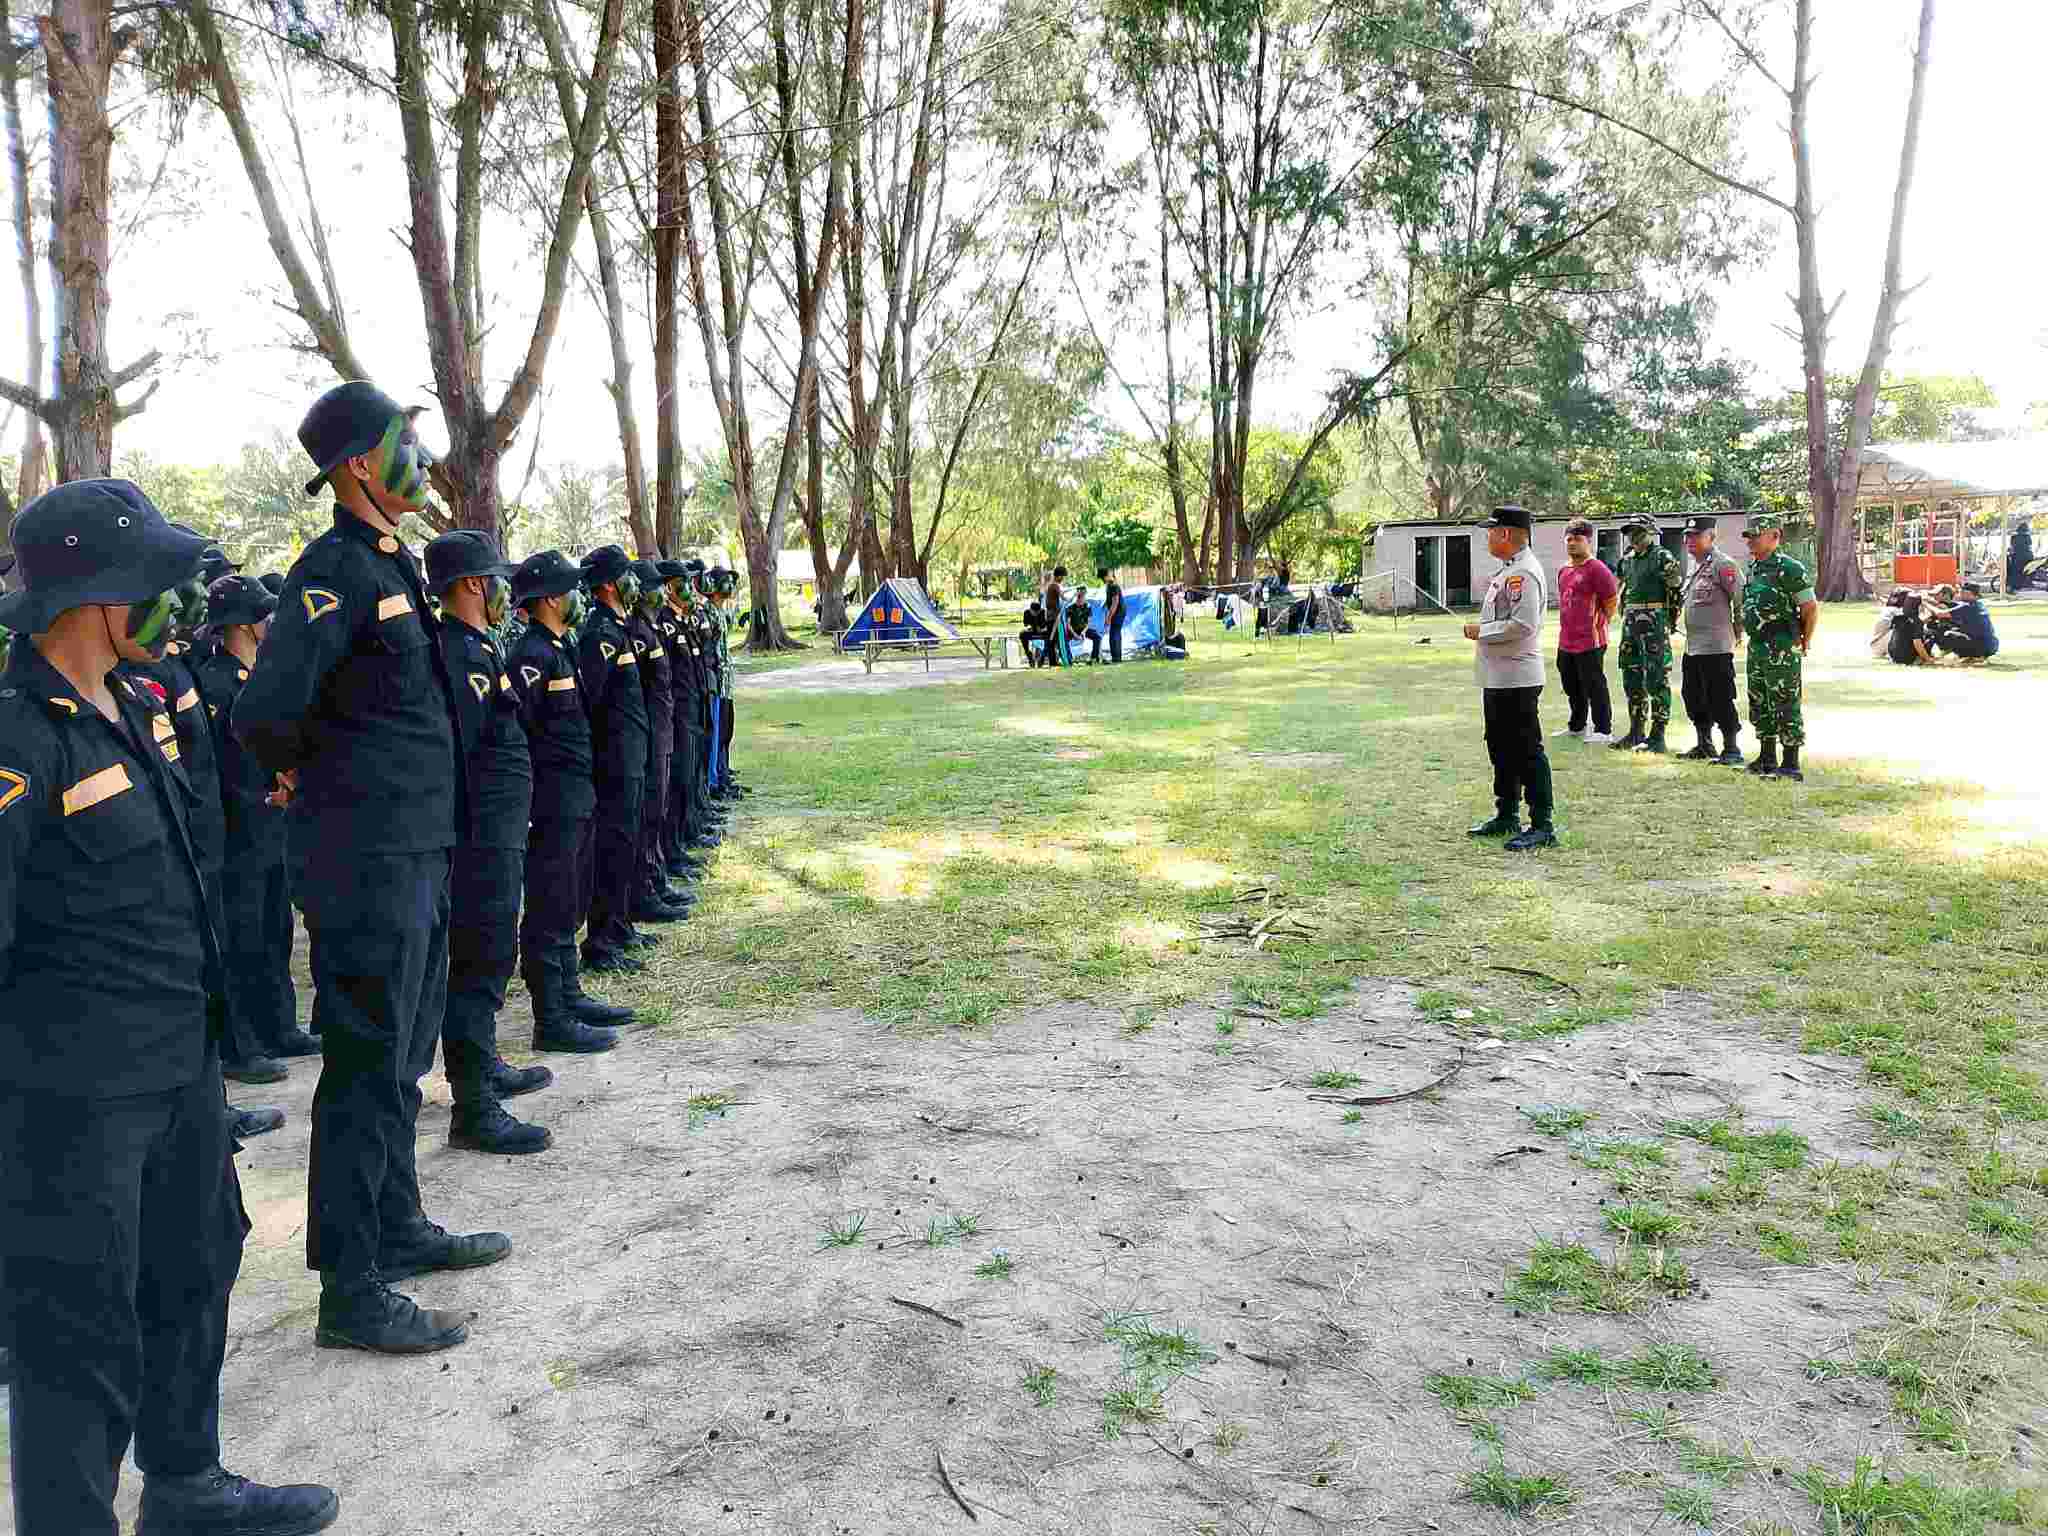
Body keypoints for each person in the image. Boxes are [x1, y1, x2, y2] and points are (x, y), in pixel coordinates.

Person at [0, 478, 340, 1536]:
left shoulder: (139, 702)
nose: (171, 602)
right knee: (77, 1338)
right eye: (151, 579)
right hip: (74, 1102)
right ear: (100, 597)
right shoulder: (18, 738)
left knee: (196, 1271)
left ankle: (187, 1484)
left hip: (179, 1064)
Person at [235, 380, 507, 1355]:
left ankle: (397, 1224)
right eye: (403, 443)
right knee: (362, 1067)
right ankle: (350, 1289)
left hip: (414, 849)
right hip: (364, 859)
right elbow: (265, 711)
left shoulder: (392, 562)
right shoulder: (332, 572)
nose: (420, 461)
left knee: (401, 1058)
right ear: (358, 462)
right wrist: (312, 780)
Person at [425, 530, 554, 1154]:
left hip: (498, 832)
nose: (508, 592)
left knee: (493, 954)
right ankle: (473, 1104)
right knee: (477, 959)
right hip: (479, 838)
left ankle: (486, 1062)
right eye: (499, 580)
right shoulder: (456, 653)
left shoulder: (480, 646)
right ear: (475, 584)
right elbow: (464, 754)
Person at [507, 549, 631, 1049]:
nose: (580, 595)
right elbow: (519, 731)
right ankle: (551, 1018)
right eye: (571, 589)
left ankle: (569, 993)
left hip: (577, 795)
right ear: (551, 599)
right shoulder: (531, 655)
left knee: (570, 900)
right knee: (549, 905)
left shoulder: (559, 647)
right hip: (551, 802)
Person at [194, 575, 313, 1076]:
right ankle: (242, 1045)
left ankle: (278, 1026)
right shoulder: (214, 683)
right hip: (239, 828)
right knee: (243, 937)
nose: (272, 620)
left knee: (275, 930)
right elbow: (217, 767)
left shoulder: (261, 673)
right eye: (264, 613)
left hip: (272, 824)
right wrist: (261, 798)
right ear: (243, 624)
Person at [576, 544, 653, 975]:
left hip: (631, 755)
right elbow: (593, 700)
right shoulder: (599, 633)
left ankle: (620, 926)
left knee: (627, 844)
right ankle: (601, 940)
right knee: (610, 847)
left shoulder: (618, 626)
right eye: (626, 574)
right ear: (608, 584)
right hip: (614, 760)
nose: (634, 582)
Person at [1463, 505, 1556, 851]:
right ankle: (1507, 813)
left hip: (1518, 676)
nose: (1487, 537)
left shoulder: (1524, 573)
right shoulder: (1509, 570)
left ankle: (1542, 824)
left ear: (1505, 533)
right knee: (1500, 746)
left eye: (1491, 531)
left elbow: (1523, 625)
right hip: (1499, 676)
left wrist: (1481, 631)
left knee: (1526, 749)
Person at [627, 557, 692, 923]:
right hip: (649, 737)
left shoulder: (648, 628)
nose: (661, 592)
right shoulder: (636, 632)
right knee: (649, 817)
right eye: (653, 586)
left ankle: (656, 879)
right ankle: (645, 889)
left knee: (658, 813)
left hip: (662, 732)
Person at [1737, 511, 1818, 781]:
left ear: (1775, 536)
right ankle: (1767, 757)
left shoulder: (1789, 568)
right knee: (1759, 700)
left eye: (1756, 536)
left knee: (1785, 702)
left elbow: (1809, 607)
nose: (1750, 541)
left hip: (1781, 645)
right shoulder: (1754, 568)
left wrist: (1804, 640)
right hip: (1758, 645)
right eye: (1748, 537)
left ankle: (1791, 764)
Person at [1678, 514, 1746, 765]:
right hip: (1693, 646)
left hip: (1716, 647)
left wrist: (1738, 632)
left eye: (1696, 535)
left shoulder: (1723, 565)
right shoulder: (1694, 565)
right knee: (1692, 696)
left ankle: (1731, 748)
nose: (1690, 540)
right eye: (1687, 536)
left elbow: (1740, 599)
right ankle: (1704, 744)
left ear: (1712, 537)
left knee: (1720, 697)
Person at [1612, 514, 1680, 752]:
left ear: (1650, 531)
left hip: (1654, 621)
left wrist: (1670, 620)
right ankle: (1636, 731)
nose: (1633, 536)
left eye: (1638, 531)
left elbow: (1675, 590)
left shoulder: (1662, 557)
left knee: (1657, 677)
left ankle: (1657, 735)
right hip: (1630, 622)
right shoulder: (1626, 560)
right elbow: (1622, 588)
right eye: (1630, 532)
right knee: (1631, 675)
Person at [1553, 516, 1617, 744]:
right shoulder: (1563, 570)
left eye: (1577, 539)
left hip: (1591, 640)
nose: (1572, 543)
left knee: (1594, 685)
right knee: (1571, 685)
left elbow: (1611, 602)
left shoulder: (1597, 569)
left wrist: (1598, 624)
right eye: (1569, 539)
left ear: (1588, 541)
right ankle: (1577, 726)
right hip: (1566, 640)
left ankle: (1603, 730)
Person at [1927, 581, 1999, 662]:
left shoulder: (1967, 606)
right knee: (1954, 629)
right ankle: (1975, 656)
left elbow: (1940, 614)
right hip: (1991, 645)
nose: (1960, 594)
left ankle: (1971, 656)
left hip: (1981, 646)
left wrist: (1925, 603)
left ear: (1971, 594)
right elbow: (1951, 605)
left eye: (1962, 593)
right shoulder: (1978, 604)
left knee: (1947, 633)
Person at [1065, 584, 1102, 664]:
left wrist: (1083, 632)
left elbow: (1088, 622)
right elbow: (1068, 624)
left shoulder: (1087, 607)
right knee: (1064, 639)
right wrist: (1074, 634)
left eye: (1083, 597)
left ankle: (1094, 658)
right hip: (1073, 630)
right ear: (1077, 599)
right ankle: (1069, 659)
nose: (1082, 600)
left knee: (1097, 637)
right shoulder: (1070, 608)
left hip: (1083, 629)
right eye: (1080, 598)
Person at [1043, 565, 1069, 667]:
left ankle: (1053, 661)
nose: (1063, 579)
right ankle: (1062, 660)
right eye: (1063, 577)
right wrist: (1074, 596)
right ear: (1059, 576)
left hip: (1050, 616)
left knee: (1052, 640)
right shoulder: (1055, 586)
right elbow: (1063, 597)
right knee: (1057, 640)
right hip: (1055, 617)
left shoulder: (1051, 586)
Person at [1100, 567, 1126, 663]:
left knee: (1114, 633)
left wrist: (1108, 618)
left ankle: (1116, 658)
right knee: (1114, 633)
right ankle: (1116, 657)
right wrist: (1105, 604)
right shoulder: (1109, 586)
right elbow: (1110, 599)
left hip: (1119, 612)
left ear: (1106, 576)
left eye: (1103, 578)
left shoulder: (1114, 586)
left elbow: (1115, 603)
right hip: (1116, 611)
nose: (1102, 580)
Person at [1019, 598, 1052, 667]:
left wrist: (1042, 629)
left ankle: (1042, 657)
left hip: (1041, 632)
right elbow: (1026, 624)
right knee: (1022, 634)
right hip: (1031, 631)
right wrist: (1029, 628)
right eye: (1034, 612)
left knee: (1050, 637)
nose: (1035, 614)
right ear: (1030, 610)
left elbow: (1046, 625)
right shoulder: (1026, 612)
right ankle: (1029, 655)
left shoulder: (1043, 612)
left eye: (1037, 612)